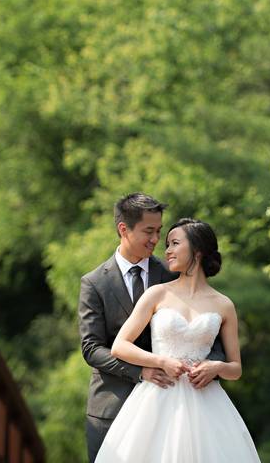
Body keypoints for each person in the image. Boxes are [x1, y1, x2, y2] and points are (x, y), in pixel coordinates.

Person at [94, 217, 260, 463]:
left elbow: (235, 369)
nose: (167, 250)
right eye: (168, 244)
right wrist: (161, 361)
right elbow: (120, 346)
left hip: (208, 404)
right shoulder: (157, 294)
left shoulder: (224, 305)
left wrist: (217, 367)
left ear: (198, 250)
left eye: (174, 243)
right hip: (157, 397)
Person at [79, 194, 226, 463]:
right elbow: (92, 348)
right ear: (124, 229)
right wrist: (142, 370)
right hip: (111, 407)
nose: (157, 240)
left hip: (176, 407)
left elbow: (211, 337)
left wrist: (209, 368)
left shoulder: (174, 273)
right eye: (149, 231)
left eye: (159, 231)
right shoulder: (94, 283)